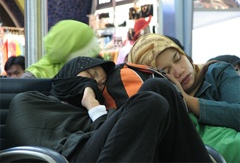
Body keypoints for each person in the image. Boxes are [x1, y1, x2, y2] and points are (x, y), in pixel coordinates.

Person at [5, 56, 212, 162]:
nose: (97, 85)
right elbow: (33, 140)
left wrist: (94, 107)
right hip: (65, 158)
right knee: (150, 101)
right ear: (70, 75)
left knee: (158, 88)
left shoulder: (95, 109)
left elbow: (113, 141)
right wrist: (88, 95)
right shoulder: (29, 100)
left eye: (101, 84)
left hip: (97, 153)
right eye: (92, 76)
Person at [128, 33, 240, 162]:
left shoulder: (217, 73)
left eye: (177, 58)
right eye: (167, 71)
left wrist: (187, 100)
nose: (179, 71)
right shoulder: (160, 105)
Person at [20, 20, 100, 78]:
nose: (90, 58)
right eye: (87, 51)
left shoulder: (85, 73)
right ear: (69, 49)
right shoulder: (33, 77)